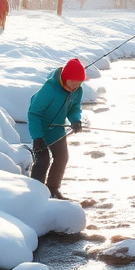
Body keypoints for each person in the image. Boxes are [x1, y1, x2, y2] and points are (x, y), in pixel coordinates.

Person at [28, 58, 87, 199]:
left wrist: (75, 120)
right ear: (64, 78)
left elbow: (74, 108)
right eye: (72, 82)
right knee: (43, 159)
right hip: (40, 128)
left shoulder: (77, 91)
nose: (74, 86)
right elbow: (34, 113)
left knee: (62, 157)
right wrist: (37, 137)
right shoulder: (50, 88)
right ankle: (35, 194)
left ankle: (53, 190)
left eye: (78, 83)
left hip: (56, 128)